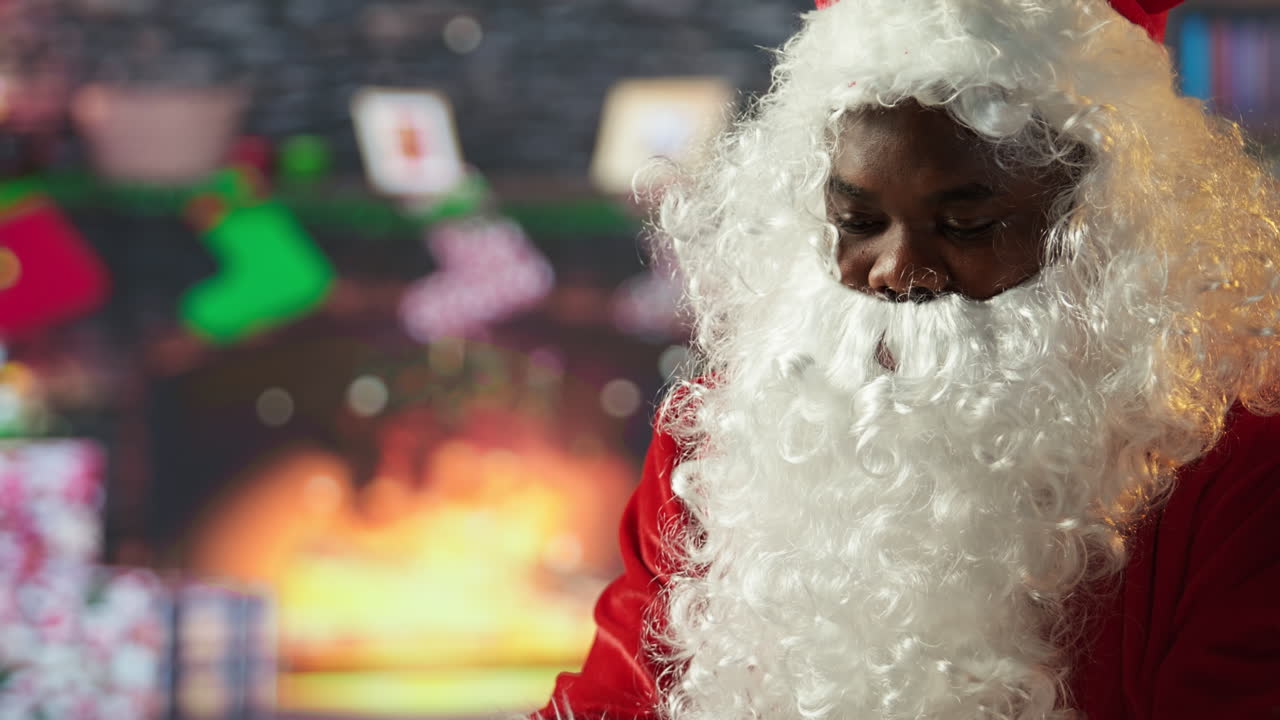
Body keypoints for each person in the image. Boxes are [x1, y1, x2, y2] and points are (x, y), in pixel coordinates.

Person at [534, 0, 1280, 718]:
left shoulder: (1239, 484)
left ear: (1103, 232)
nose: (898, 271)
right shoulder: (720, 445)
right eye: (858, 222)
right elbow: (612, 702)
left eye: (966, 225)